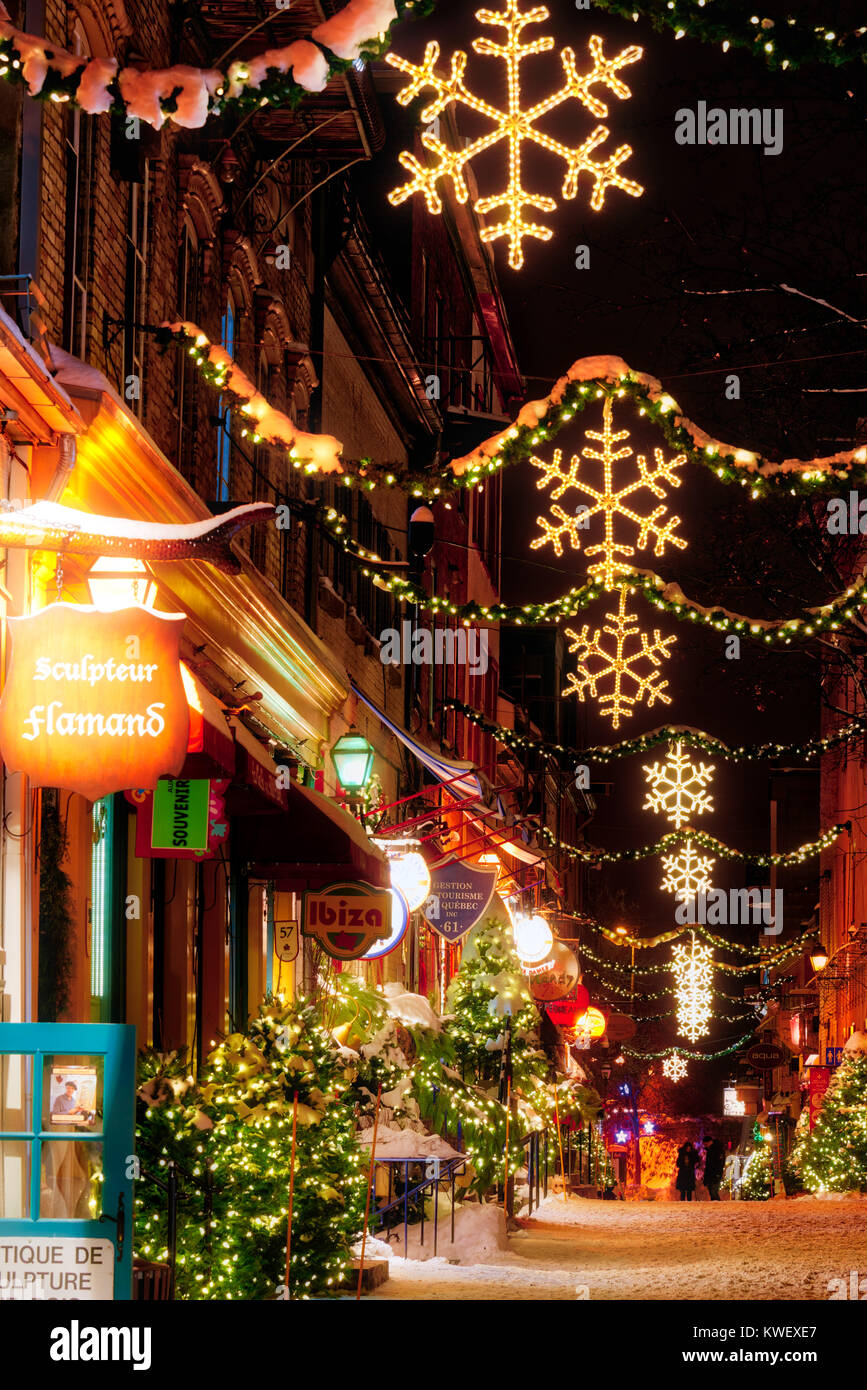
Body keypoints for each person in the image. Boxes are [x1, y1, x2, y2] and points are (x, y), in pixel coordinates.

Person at [703, 1137, 726, 1201]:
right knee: (711, 1190)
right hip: (711, 1173)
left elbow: (720, 1163)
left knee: (713, 1190)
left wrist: (718, 1172)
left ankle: (717, 1203)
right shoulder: (710, 1150)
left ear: (710, 1142)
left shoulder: (718, 1150)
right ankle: (714, 1203)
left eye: (706, 1144)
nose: (705, 1146)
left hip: (715, 1173)